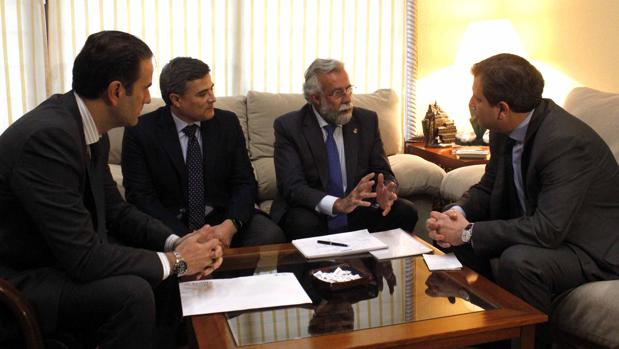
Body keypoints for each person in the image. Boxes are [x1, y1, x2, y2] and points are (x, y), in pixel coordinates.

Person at [0, 31, 223, 349]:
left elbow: (117, 212)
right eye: (145, 88)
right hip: (23, 277)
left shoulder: (89, 129)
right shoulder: (49, 138)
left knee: (159, 273)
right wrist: (177, 260)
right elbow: (84, 257)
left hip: (57, 258)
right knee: (132, 292)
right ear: (116, 91)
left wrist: (178, 241)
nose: (148, 99)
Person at [426, 53, 619, 347]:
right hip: (553, 234)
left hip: (590, 249)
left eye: (477, 98)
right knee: (456, 243)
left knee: (518, 261)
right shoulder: (503, 130)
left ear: (502, 109)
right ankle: (482, 337)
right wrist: (455, 213)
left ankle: (532, 342)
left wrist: (467, 231)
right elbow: (489, 188)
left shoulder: (564, 142)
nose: (471, 104)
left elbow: (547, 229)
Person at [122, 57, 286, 247]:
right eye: (202, 94)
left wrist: (230, 225)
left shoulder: (227, 123)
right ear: (176, 99)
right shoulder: (141, 130)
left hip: (222, 218)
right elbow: (141, 197)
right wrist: (184, 237)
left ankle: (234, 278)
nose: (212, 99)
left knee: (269, 234)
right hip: (169, 224)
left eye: (211, 89)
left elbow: (244, 182)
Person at [272, 58, 418, 240]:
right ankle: (318, 269)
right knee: (301, 223)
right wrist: (338, 204)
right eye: (337, 93)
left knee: (405, 211)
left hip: (357, 208)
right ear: (315, 98)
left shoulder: (366, 121)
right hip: (314, 210)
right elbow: (293, 186)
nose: (347, 98)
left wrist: (388, 190)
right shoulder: (289, 127)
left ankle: (383, 268)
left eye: (348, 89)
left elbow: (383, 172)